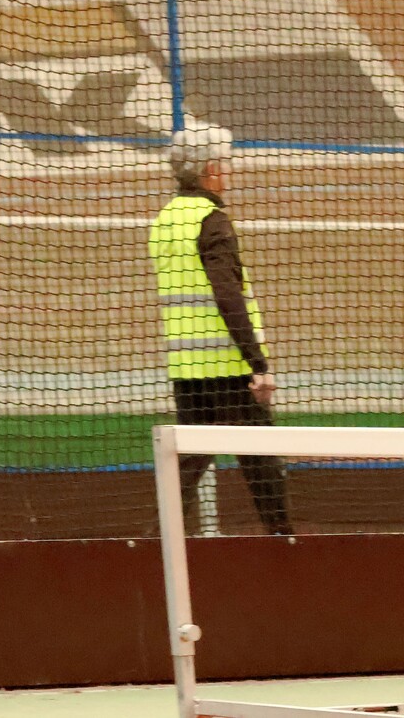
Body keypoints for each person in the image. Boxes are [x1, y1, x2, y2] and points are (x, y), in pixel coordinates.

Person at [149, 124, 293, 535]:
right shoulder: (211, 221)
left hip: (187, 371)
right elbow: (227, 295)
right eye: (224, 164)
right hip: (228, 370)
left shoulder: (164, 222)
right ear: (210, 169)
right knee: (262, 463)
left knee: (187, 467)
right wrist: (257, 364)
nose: (228, 171)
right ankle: (284, 545)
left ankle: (154, 546)